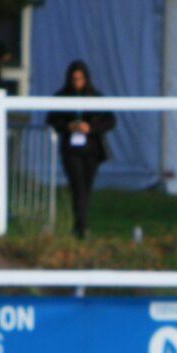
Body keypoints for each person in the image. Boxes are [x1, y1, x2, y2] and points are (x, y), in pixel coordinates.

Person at [46, 61, 116, 239]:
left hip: (90, 149)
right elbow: (51, 120)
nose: (77, 81)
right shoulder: (61, 97)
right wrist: (68, 126)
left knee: (86, 188)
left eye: (80, 78)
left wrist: (90, 127)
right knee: (77, 187)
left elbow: (110, 120)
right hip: (71, 150)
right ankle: (81, 227)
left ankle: (81, 226)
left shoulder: (96, 97)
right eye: (74, 78)